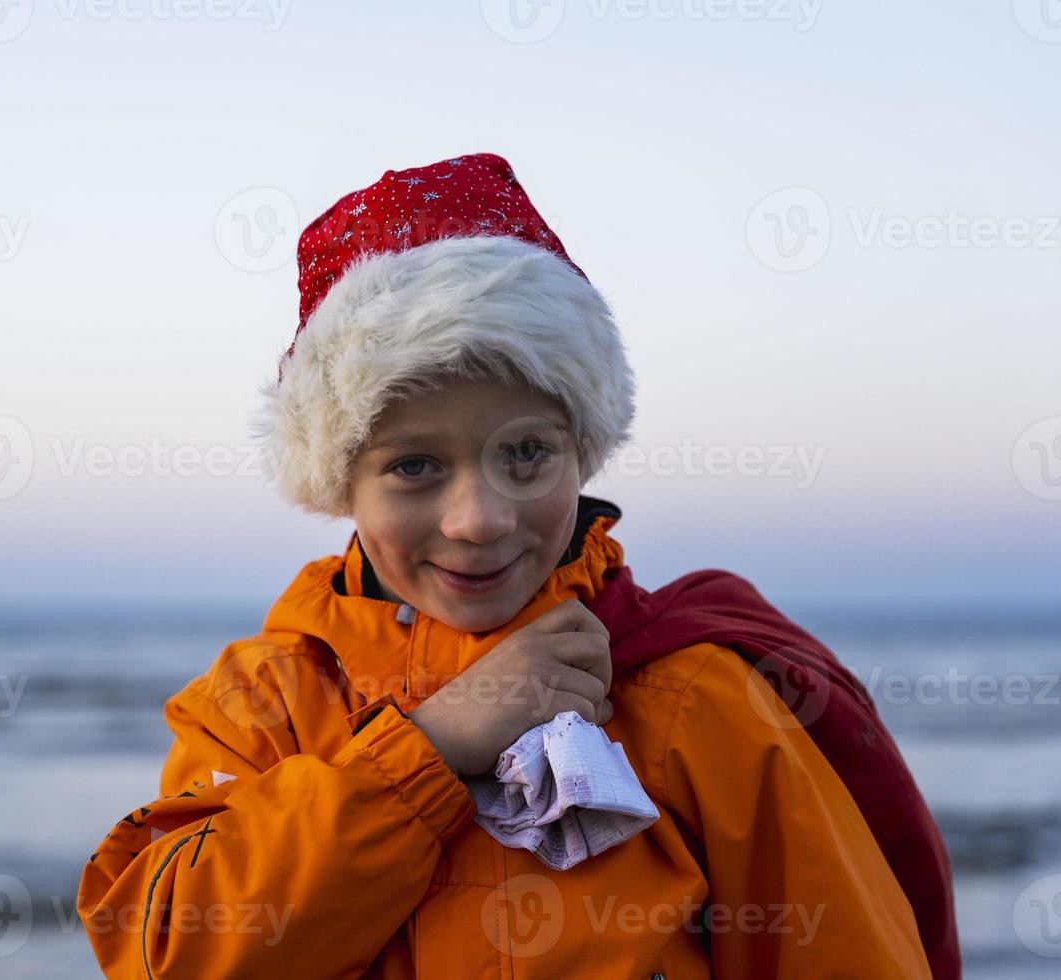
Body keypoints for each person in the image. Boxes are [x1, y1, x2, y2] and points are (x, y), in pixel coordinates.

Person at [76, 153, 941, 978]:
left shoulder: (693, 701)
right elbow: (176, 951)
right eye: (414, 466)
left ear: (583, 451)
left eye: (525, 452)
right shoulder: (263, 704)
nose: (479, 520)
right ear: (341, 481)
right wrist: (433, 746)